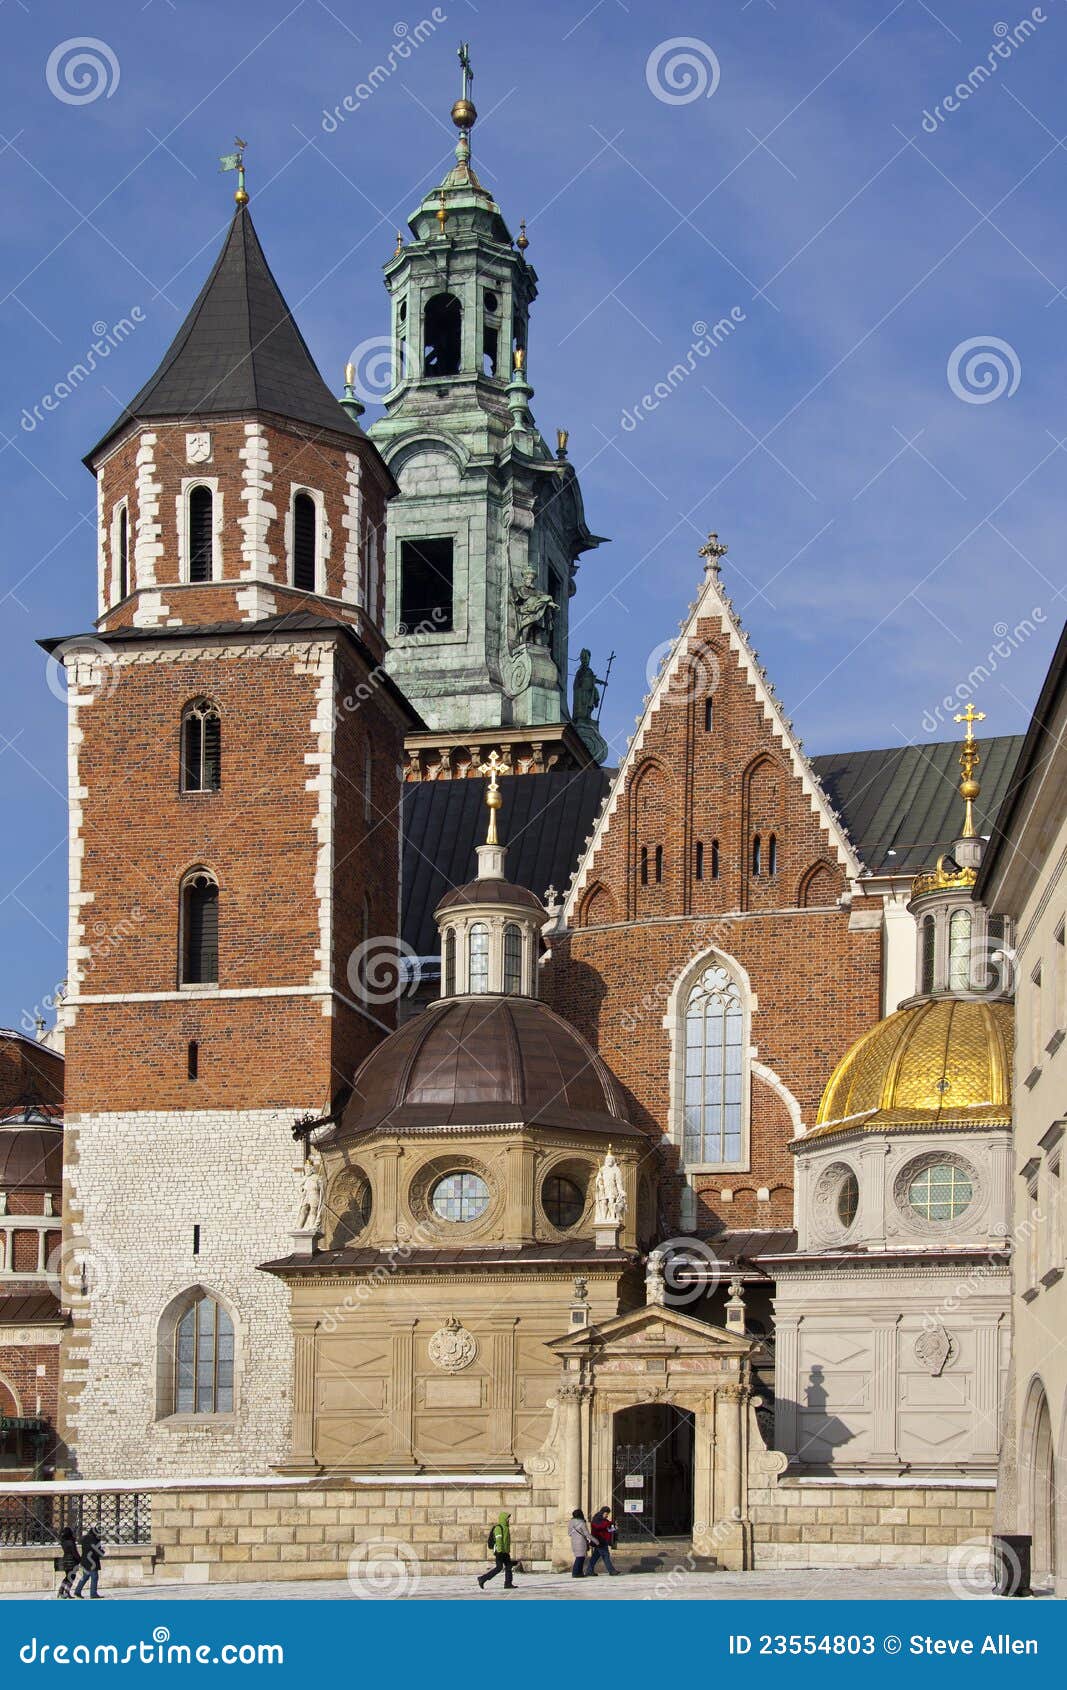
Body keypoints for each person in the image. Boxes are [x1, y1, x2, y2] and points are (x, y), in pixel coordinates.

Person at [477, 1511, 514, 1591]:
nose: (508, 1520)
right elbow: (499, 1539)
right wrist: (500, 1550)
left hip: (505, 1552)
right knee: (499, 1567)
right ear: (503, 1519)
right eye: (507, 1519)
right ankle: (482, 1579)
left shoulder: (506, 1528)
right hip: (499, 1551)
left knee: (508, 1566)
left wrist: (507, 1551)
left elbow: (506, 1541)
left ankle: (508, 1583)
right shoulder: (498, 1528)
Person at [73, 1526, 105, 1599]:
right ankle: (93, 1593)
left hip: (84, 1561)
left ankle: (77, 1591)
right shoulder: (95, 1540)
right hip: (92, 1561)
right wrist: (102, 1552)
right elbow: (97, 1551)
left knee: (85, 1577)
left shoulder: (84, 1539)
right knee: (94, 1577)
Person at [588, 1507, 620, 1576]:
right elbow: (599, 1527)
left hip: (603, 1540)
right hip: (599, 1540)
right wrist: (610, 1523)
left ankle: (589, 1570)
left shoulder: (604, 1520)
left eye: (608, 1514)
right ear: (602, 1512)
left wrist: (614, 1528)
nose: (607, 1515)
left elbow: (607, 1529)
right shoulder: (596, 1519)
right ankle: (612, 1571)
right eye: (606, 1514)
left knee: (595, 1557)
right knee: (606, 1556)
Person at [567, 1508, 595, 1578]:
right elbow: (587, 1534)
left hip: (574, 1541)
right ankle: (576, 1573)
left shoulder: (571, 1522)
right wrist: (596, 1541)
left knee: (579, 1557)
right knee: (580, 1558)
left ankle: (579, 1572)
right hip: (581, 1542)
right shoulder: (582, 1523)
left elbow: (569, 1533)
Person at [56, 1527, 79, 1599]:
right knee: (72, 1577)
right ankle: (67, 1592)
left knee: (67, 1577)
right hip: (72, 1561)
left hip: (65, 1559)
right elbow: (74, 1552)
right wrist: (79, 1559)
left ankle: (61, 1591)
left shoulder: (63, 1541)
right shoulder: (71, 1542)